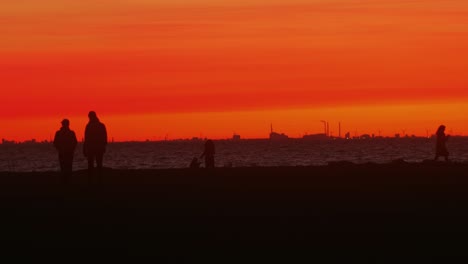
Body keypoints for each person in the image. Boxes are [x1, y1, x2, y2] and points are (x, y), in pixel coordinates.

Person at [84, 111, 108, 181]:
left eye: (89, 116)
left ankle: (92, 179)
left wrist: (85, 147)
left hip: (92, 148)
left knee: (91, 164)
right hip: (98, 148)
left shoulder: (88, 126)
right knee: (98, 164)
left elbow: (86, 138)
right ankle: (98, 179)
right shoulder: (101, 125)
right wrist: (103, 146)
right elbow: (105, 137)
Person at [53, 119, 78, 184]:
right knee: (68, 166)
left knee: (64, 167)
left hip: (64, 152)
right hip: (68, 153)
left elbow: (55, 143)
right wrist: (71, 149)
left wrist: (60, 149)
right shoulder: (71, 133)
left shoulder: (59, 133)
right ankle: (67, 180)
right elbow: (75, 142)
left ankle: (65, 180)